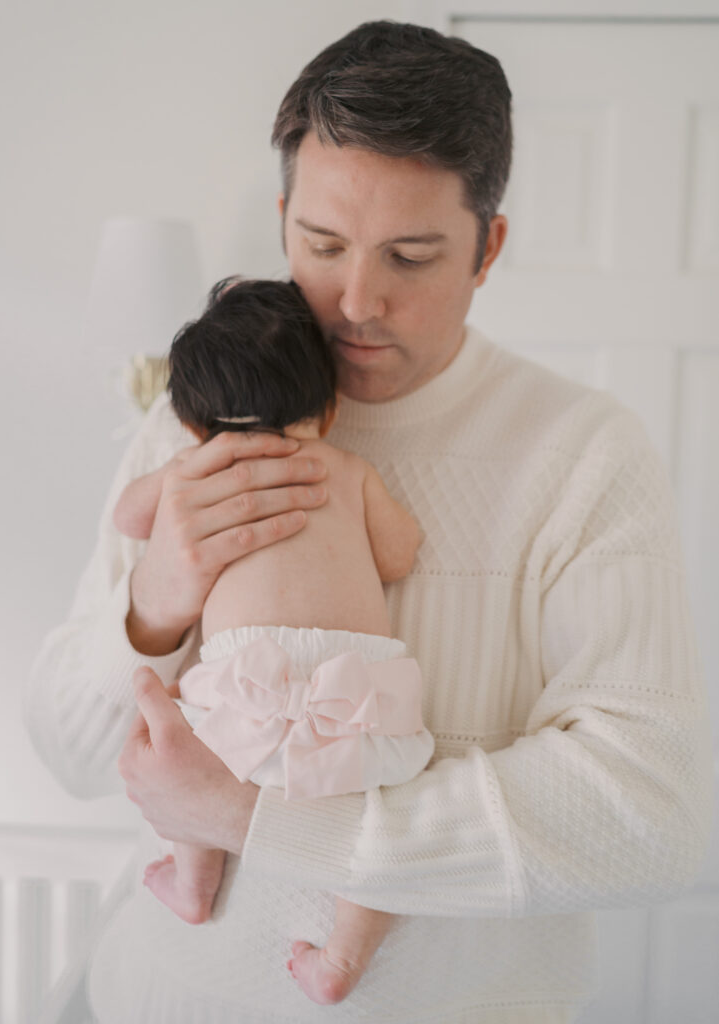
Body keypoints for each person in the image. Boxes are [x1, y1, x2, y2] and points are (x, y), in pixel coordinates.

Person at [26, 20, 711, 1024]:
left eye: (411, 255)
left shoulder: (582, 453)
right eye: (322, 244)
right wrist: (152, 608)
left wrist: (256, 820)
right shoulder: (190, 427)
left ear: (489, 248)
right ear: (282, 217)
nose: (355, 300)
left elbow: (646, 816)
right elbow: (70, 755)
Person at [111, 275, 434, 1004]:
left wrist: (177, 467)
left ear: (191, 422)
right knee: (379, 836)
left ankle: (193, 880)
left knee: (178, 775)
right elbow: (399, 555)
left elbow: (131, 521)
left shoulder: (197, 469)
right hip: (354, 692)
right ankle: (340, 960)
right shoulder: (347, 470)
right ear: (329, 406)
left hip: (240, 687)